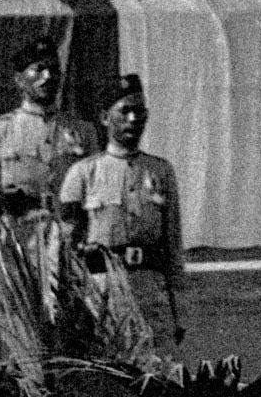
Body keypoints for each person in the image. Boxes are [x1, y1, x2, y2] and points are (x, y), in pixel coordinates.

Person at [58, 80, 186, 351]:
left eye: (139, 112)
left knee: (159, 376)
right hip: (102, 293)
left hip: (150, 293)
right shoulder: (83, 174)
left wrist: (179, 311)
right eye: (124, 111)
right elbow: (63, 246)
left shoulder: (160, 171)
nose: (132, 119)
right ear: (105, 118)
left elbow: (173, 244)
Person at [0, 48, 87, 270]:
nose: (48, 77)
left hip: (68, 248)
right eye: (39, 69)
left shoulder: (82, 132)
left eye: (53, 69)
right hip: (19, 245)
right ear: (19, 80)